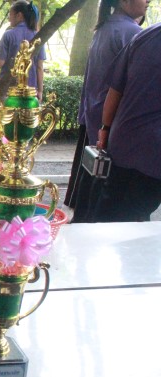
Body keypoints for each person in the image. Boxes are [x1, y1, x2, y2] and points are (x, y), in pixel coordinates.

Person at [65, 0, 147, 220]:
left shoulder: (105, 27)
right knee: (109, 195)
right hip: (111, 123)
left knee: (90, 185)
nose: (148, 0)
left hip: (94, 117)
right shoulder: (132, 33)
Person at [93, 22, 161, 222]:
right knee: (136, 214)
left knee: (110, 206)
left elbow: (115, 90)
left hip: (123, 140)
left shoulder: (145, 36)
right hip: (154, 153)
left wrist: (105, 129)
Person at [0, 1, 46, 100]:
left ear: (19, 15)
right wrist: (40, 91)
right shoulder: (38, 37)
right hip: (30, 91)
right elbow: (39, 67)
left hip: (9, 90)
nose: (9, 18)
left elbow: (0, 63)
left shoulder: (8, 35)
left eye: (10, 14)